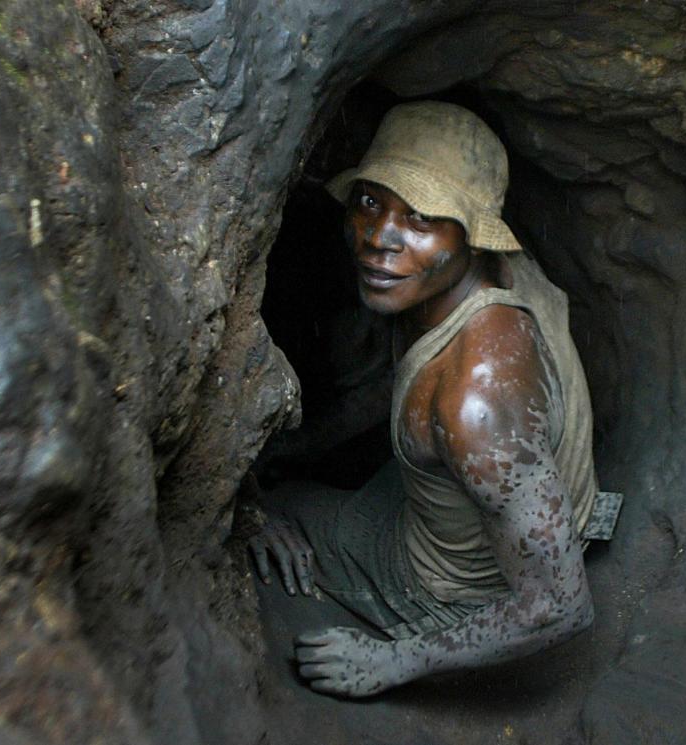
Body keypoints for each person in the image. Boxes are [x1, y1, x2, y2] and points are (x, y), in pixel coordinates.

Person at [249, 101, 604, 698]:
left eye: (420, 217)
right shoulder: (483, 280)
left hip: (462, 592)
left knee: (274, 505)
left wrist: (390, 662)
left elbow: (560, 605)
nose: (379, 238)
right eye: (369, 202)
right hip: (498, 501)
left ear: (470, 233)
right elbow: (409, 392)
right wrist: (298, 442)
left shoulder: (477, 404)